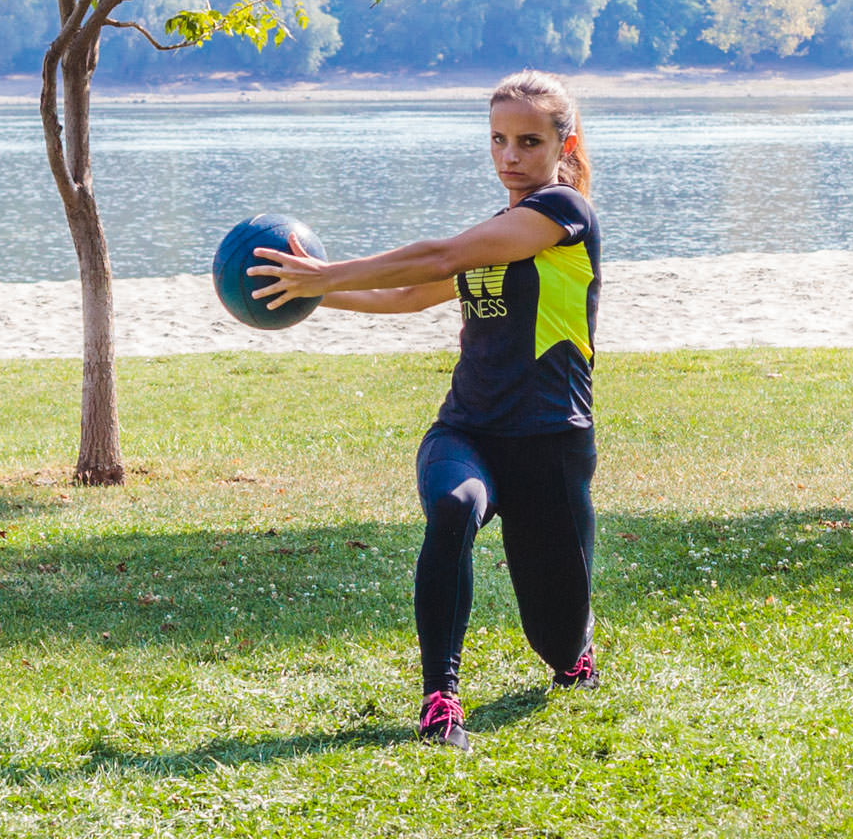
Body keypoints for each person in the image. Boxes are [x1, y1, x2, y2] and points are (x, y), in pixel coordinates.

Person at [248, 70, 602, 753]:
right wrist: (299, 293)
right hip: (467, 429)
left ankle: (575, 648)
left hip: (549, 443)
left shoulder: (563, 215)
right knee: (451, 507)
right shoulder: (499, 228)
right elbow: (409, 294)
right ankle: (440, 698)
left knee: (557, 642)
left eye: (528, 141)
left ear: (564, 143)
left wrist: (327, 274)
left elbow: (440, 253)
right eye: (498, 139)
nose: (509, 155)